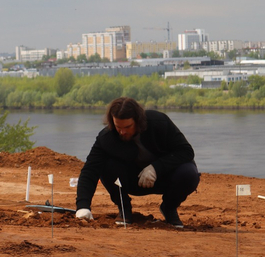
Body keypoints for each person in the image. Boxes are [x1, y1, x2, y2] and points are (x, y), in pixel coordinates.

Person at [75, 97, 199, 228]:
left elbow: (186, 151)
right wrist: (83, 206)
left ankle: (169, 208)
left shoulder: (158, 122)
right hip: (131, 181)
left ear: (138, 120)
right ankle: (125, 210)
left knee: (189, 174)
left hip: (165, 177)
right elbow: (90, 170)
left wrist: (156, 168)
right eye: (118, 127)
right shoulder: (106, 137)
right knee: (106, 165)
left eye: (128, 126)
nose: (122, 132)